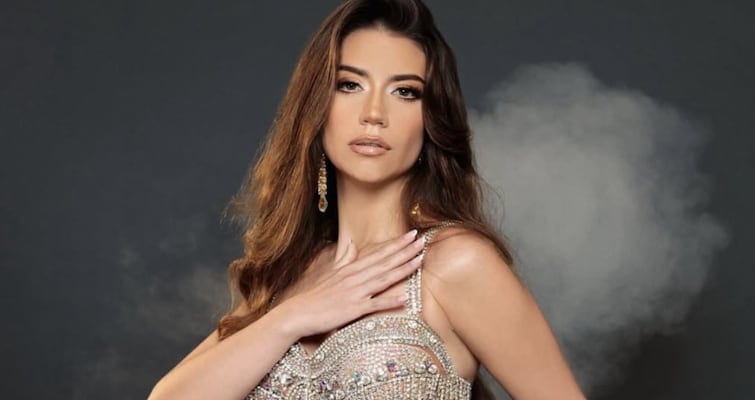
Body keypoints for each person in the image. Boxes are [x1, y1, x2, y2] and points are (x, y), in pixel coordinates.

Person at [148, 0, 586, 399]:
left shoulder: (455, 262)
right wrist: (291, 318)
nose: (374, 114)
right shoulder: (293, 275)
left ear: (431, 121)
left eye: (405, 92)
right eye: (349, 85)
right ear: (317, 107)